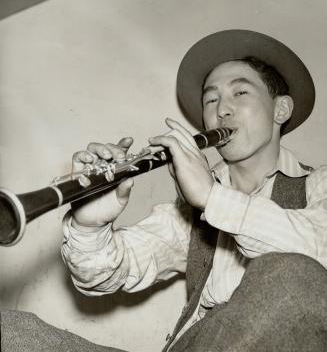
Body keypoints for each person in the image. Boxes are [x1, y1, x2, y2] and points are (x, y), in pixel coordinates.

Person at [1, 30, 327, 351]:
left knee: (291, 277)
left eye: (240, 94)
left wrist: (213, 198)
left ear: (281, 110)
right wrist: (90, 225)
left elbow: (316, 259)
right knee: (12, 331)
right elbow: (104, 276)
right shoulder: (188, 213)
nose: (221, 110)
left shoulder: (319, 184)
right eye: (211, 99)